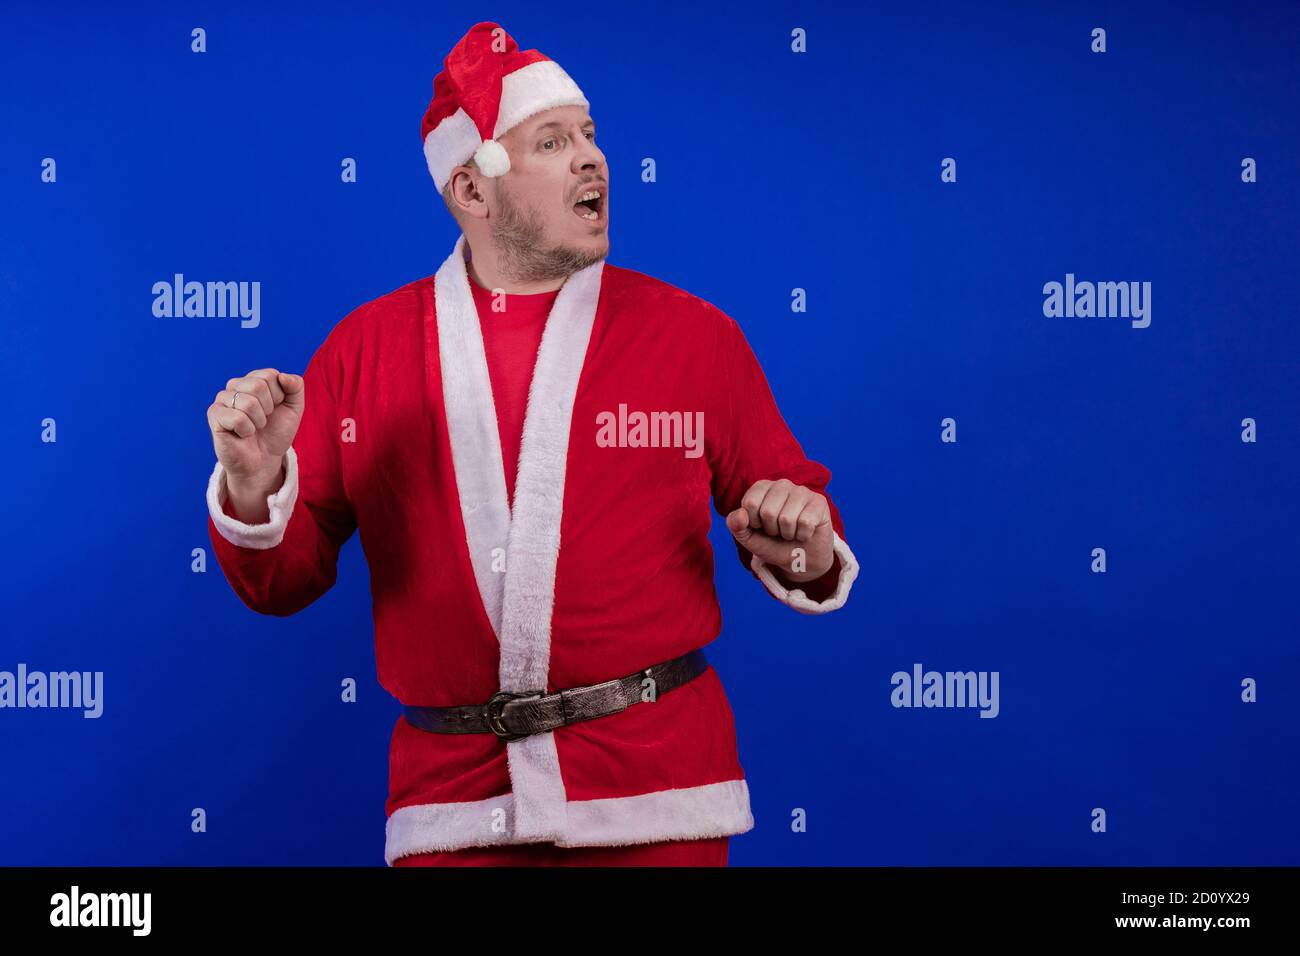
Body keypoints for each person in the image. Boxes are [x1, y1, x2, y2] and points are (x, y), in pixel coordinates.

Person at [203, 20, 860, 867]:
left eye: (590, 135)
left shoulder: (696, 339)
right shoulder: (361, 353)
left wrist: (804, 543)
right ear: (474, 192)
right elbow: (282, 584)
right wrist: (255, 489)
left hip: (658, 797)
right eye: (552, 140)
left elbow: (803, 535)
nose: (592, 158)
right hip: (454, 812)